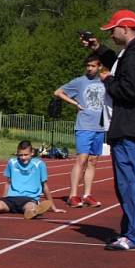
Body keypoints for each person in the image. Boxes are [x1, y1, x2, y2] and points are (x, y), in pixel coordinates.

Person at [82, 9, 135, 250]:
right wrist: (97, 49)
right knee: (125, 183)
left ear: (125, 28)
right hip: (127, 126)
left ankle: (134, 236)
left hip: (128, 127)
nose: (111, 34)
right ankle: (129, 232)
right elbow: (118, 64)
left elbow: (129, 90)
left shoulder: (134, 57)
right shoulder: (132, 53)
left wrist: (107, 80)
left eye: (112, 30)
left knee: (128, 183)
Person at [0, 140, 65, 219]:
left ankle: (33, 212)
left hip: (29, 198)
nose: (23, 158)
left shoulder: (39, 164)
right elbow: (7, 183)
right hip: (11, 198)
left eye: (26, 155)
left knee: (30, 207)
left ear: (32, 153)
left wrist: (53, 206)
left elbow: (44, 186)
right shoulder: (12, 162)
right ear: (17, 153)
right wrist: (3, 199)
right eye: (20, 155)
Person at [53, 55, 106, 208]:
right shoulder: (79, 81)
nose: (90, 68)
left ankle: (87, 194)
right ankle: (73, 195)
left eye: (93, 66)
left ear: (99, 67)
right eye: (88, 65)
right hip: (84, 126)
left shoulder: (105, 81)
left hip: (100, 127)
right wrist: (75, 103)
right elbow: (58, 92)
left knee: (93, 161)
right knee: (81, 160)